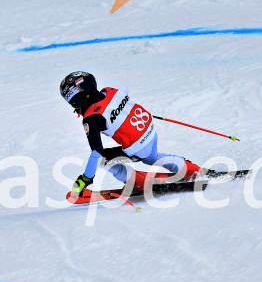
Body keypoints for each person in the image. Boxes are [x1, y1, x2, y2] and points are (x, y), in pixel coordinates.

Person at [59, 71, 202, 197]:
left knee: (102, 160)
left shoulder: (91, 118)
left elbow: (96, 151)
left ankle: (136, 183)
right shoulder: (110, 91)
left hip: (138, 147)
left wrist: (86, 178)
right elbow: (120, 95)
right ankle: (191, 169)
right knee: (151, 158)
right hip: (150, 132)